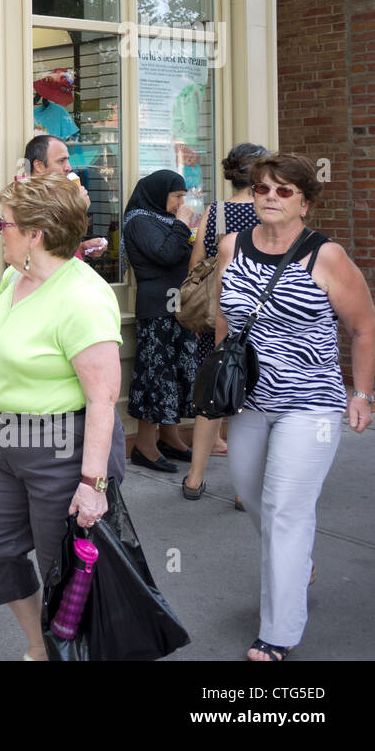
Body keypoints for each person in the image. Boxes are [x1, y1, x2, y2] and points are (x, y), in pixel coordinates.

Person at [0, 173, 126, 661]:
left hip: (61, 449)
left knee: (61, 567)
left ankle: (72, 652)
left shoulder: (82, 297)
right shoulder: (13, 277)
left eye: (5, 224)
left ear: (35, 234)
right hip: (2, 440)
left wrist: (93, 483)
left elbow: (103, 399)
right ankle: (41, 645)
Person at [215, 153, 373, 661]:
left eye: (284, 191)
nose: (270, 197)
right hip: (250, 402)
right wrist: (222, 385)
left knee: (287, 510)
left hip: (312, 405)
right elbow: (225, 319)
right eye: (262, 188)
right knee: (249, 492)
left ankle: (277, 632)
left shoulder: (325, 256)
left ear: (305, 201)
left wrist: (362, 394)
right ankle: (297, 560)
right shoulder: (230, 246)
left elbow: (363, 328)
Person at [180, 142, 267, 499]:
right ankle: (242, 491)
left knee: (213, 393)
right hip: (262, 318)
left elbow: (196, 265)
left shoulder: (215, 212)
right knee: (255, 399)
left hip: (221, 312)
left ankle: (194, 479)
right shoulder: (272, 211)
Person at [121, 170, 199, 472]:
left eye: (183, 196)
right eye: (177, 196)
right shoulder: (140, 220)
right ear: (159, 194)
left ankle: (170, 436)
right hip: (155, 307)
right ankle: (145, 445)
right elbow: (165, 254)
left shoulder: (164, 220)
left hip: (178, 305)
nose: (182, 202)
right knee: (156, 376)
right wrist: (181, 224)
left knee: (178, 373)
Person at [23, 134, 108, 259]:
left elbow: (59, 245)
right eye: (61, 161)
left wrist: (81, 248)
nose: (69, 167)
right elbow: (39, 255)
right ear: (39, 166)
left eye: (68, 160)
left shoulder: (54, 197)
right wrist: (76, 207)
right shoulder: (25, 203)